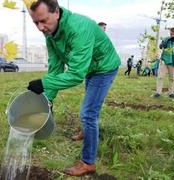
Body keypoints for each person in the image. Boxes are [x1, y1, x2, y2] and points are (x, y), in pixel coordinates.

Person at [26, 0, 121, 176]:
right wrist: (47, 98)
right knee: (90, 110)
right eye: (35, 22)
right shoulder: (50, 33)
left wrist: (44, 84)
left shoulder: (78, 28)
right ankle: (87, 131)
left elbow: (76, 74)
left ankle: (88, 163)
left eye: (43, 20)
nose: (40, 27)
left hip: (104, 68)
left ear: (57, 12)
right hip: (90, 68)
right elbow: (55, 68)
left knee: (88, 113)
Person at [153, 27, 174, 99]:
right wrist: (166, 41)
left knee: (172, 78)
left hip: (173, 61)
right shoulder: (166, 38)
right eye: (171, 34)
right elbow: (161, 46)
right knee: (160, 76)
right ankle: (158, 92)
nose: (172, 35)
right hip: (164, 60)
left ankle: (171, 93)